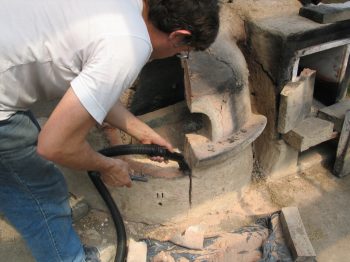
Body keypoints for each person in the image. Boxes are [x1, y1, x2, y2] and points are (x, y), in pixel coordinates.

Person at [0, 0, 220, 261]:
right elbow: (54, 145)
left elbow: (92, 91)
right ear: (178, 36)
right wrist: (108, 166)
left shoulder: (125, 7)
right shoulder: (129, 46)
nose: (178, 56)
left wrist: (141, 132)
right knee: (41, 195)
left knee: (15, 175)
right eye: (184, 52)